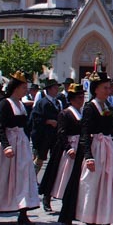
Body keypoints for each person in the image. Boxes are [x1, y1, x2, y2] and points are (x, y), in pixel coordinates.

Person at [59, 71, 113, 225]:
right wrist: (88, 156)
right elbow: (85, 131)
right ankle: (70, 218)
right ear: (96, 89)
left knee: (108, 185)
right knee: (85, 184)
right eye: (105, 87)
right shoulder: (91, 107)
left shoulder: (106, 106)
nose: (108, 90)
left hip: (107, 148)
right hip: (94, 149)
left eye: (109, 87)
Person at [0, 71, 39, 225]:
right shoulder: (4, 104)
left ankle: (23, 211)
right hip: (7, 144)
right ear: (15, 88)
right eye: (23, 87)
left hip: (21, 144)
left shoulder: (21, 104)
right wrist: (6, 146)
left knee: (23, 176)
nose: (26, 90)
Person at [38, 83, 85, 212]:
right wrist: (68, 147)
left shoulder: (82, 113)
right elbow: (61, 133)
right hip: (66, 147)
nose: (82, 100)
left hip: (79, 146)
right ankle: (48, 196)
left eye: (82, 97)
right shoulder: (65, 113)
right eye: (79, 97)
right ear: (72, 99)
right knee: (58, 173)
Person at [30, 79, 62, 172]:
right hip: (43, 135)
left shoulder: (57, 102)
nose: (57, 90)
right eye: (55, 88)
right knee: (40, 158)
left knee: (54, 157)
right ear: (49, 89)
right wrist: (48, 121)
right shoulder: (42, 102)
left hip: (54, 135)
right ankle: (33, 177)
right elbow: (35, 118)